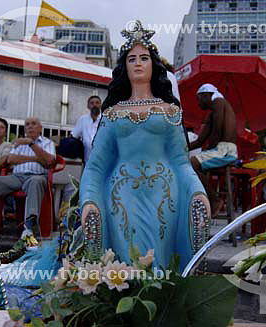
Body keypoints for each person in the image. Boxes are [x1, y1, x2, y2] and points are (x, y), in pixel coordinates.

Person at [79, 21, 210, 269]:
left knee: (159, 254)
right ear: (124, 68)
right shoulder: (113, 114)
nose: (138, 63)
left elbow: (181, 162)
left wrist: (197, 192)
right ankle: (127, 303)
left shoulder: (170, 111)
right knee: (129, 257)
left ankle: (160, 304)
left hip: (165, 194)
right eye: (131, 59)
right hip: (121, 194)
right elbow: (96, 166)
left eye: (144, 58)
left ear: (154, 65)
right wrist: (89, 200)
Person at [0, 117, 56, 238]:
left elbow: (49, 161)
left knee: (36, 181)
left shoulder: (47, 143)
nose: (30, 126)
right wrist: (36, 158)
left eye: (33, 124)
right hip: (16, 177)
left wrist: (31, 145)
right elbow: (11, 159)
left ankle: (29, 227)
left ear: (40, 128)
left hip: (37, 176)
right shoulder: (18, 143)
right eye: (27, 124)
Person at [189, 83, 237, 218]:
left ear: (206, 95)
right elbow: (199, 141)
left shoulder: (218, 102)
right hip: (221, 149)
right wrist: (181, 148)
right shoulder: (213, 112)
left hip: (225, 150)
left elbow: (217, 129)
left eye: (199, 99)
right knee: (188, 164)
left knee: (191, 164)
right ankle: (207, 198)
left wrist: (208, 149)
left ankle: (214, 199)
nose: (198, 103)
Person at [71, 95, 102, 163]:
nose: (95, 105)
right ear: (88, 106)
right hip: (87, 160)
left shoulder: (105, 119)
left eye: (97, 103)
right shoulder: (83, 119)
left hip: (103, 160)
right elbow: (74, 136)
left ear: (100, 105)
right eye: (92, 103)